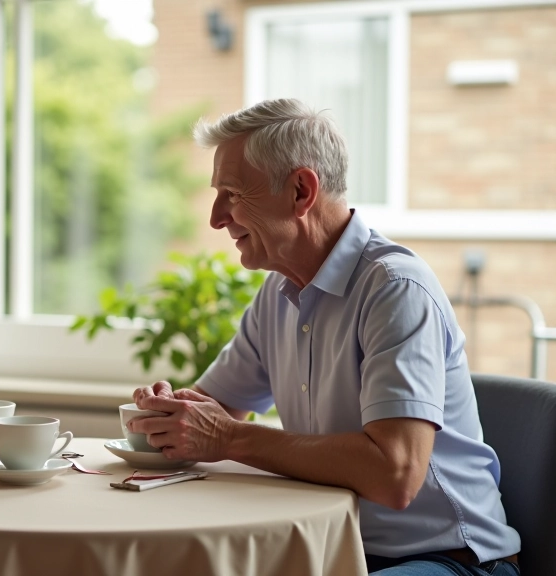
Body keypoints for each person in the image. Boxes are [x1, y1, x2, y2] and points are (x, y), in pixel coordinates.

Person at [128, 98, 521, 575]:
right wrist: (171, 415)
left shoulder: (395, 290)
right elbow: (213, 412)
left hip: (449, 560)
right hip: (334, 552)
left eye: (231, 192)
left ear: (300, 190)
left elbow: (394, 474)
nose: (216, 217)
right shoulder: (278, 292)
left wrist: (228, 437)